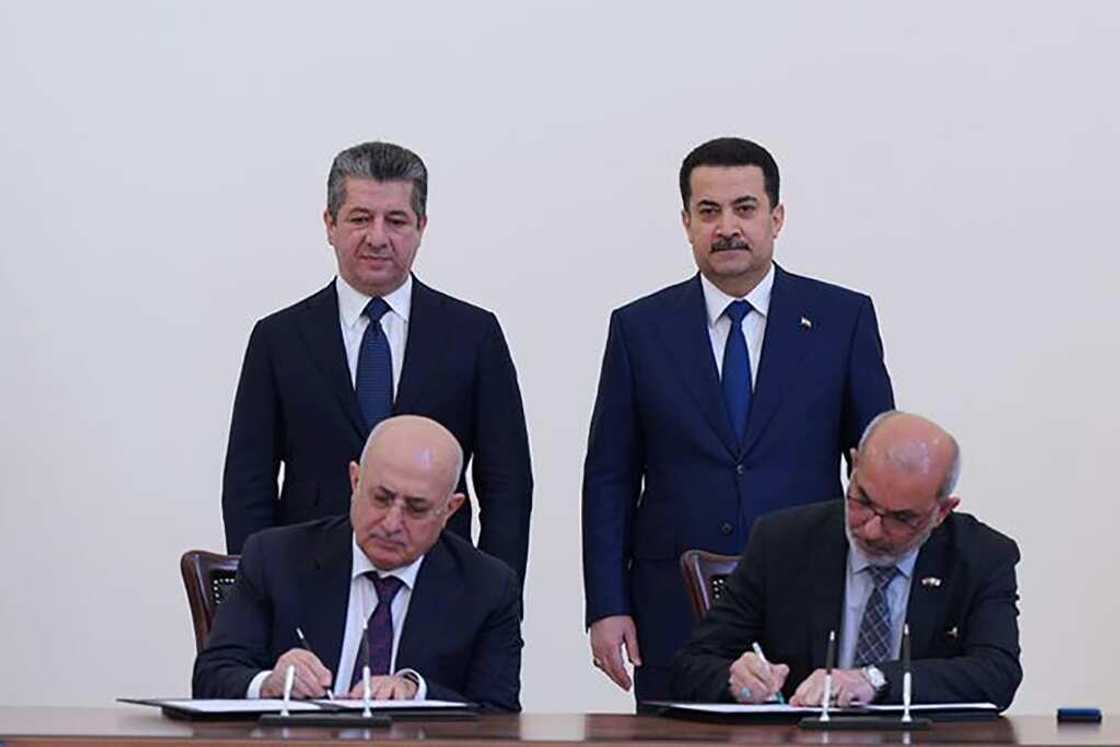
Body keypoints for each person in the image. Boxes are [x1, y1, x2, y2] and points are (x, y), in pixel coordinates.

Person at [582, 137, 895, 702]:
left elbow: (877, 465)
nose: (727, 226)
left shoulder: (841, 319)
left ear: (776, 217)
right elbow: (610, 477)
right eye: (709, 211)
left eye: (745, 208)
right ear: (686, 223)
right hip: (672, 607)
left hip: (807, 597)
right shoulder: (640, 329)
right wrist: (607, 605)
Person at [221, 141, 533, 586]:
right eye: (360, 218)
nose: (378, 237)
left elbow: (508, 485)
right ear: (330, 224)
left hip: (440, 588)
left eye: (397, 220)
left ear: (421, 226)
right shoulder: (279, 339)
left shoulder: (474, 335)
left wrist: (496, 598)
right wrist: (261, 593)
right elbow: (247, 484)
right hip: (308, 583)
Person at [671, 411, 1022, 711]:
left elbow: (996, 673)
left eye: (900, 519)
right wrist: (735, 679)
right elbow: (692, 665)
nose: (870, 530)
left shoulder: (981, 557)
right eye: (862, 501)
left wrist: (875, 680)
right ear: (854, 465)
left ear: (942, 512)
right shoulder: (782, 541)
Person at [194, 415, 522, 712]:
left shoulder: (488, 588)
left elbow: (498, 711)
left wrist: (416, 691)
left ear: (449, 510)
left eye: (416, 508)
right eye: (381, 498)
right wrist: (267, 683)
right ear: (355, 482)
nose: (392, 523)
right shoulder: (276, 557)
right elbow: (212, 677)